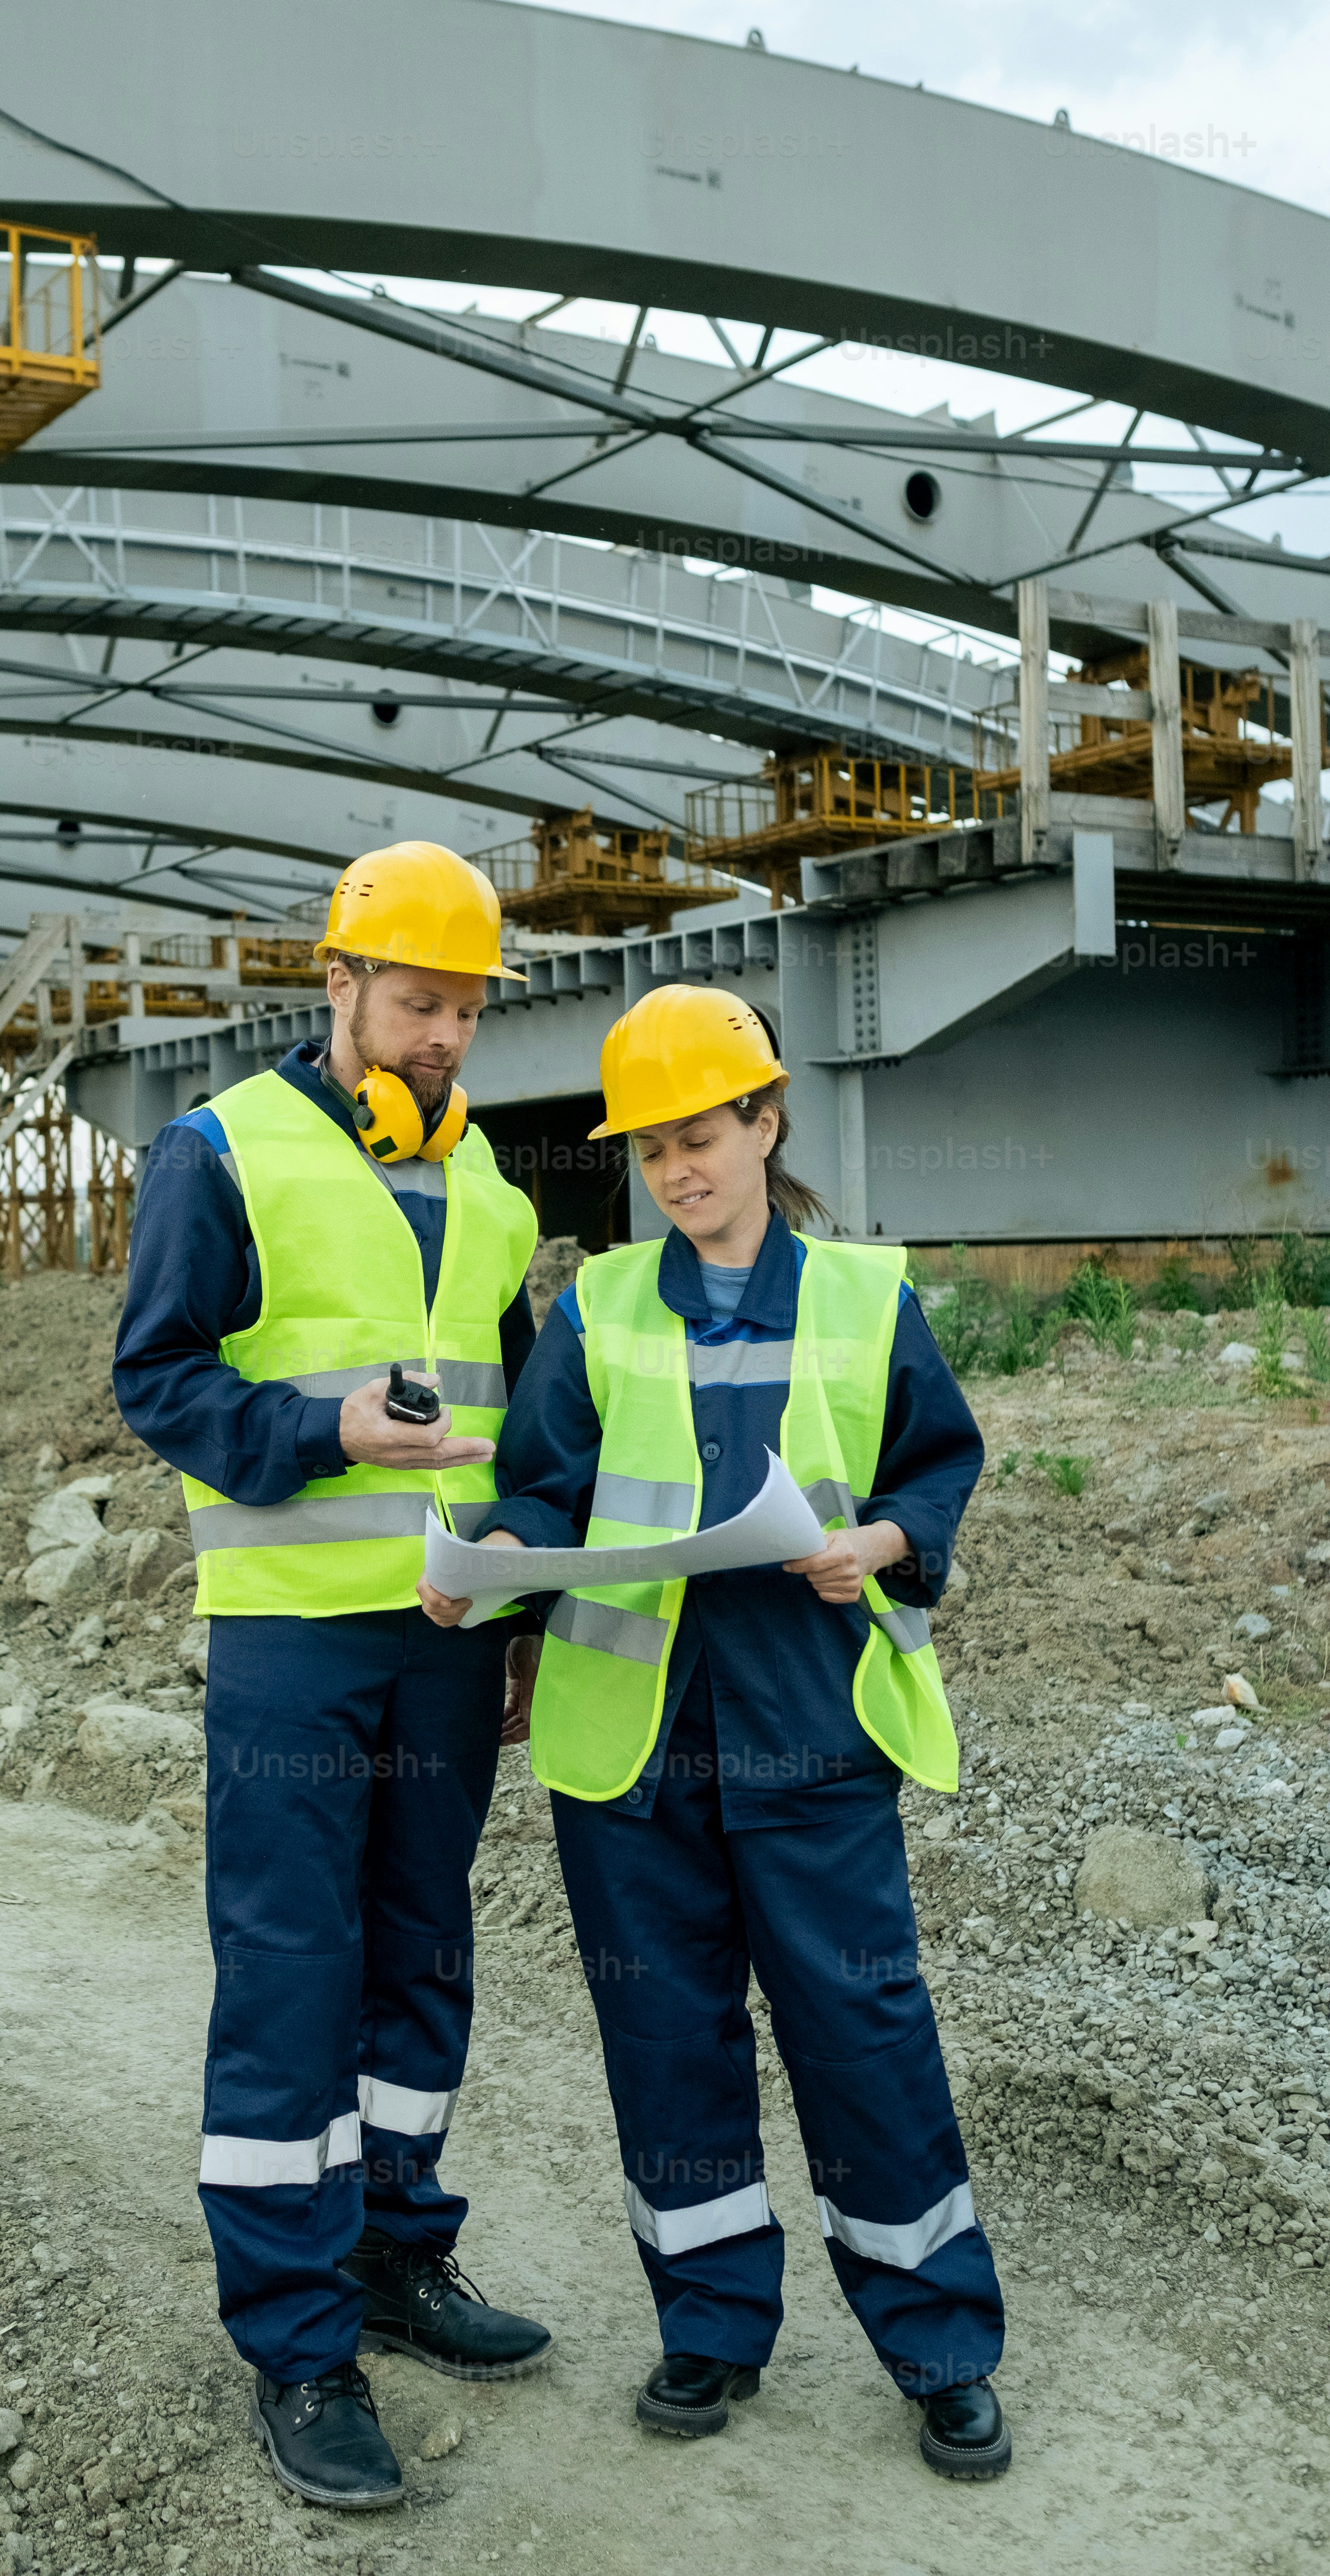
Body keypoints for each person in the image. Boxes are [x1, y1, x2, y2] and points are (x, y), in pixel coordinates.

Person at [420, 981, 1011, 2480]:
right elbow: (549, 1489)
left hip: (811, 1734)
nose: (678, 1171)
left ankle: (942, 2350)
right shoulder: (602, 1305)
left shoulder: (870, 1296)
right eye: (652, 1151)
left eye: (701, 1137)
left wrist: (880, 1543)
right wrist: (489, 1568)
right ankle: (709, 2328)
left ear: (764, 1121)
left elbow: (936, 1468)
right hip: (634, 1747)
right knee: (667, 2040)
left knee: (863, 2038)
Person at [113, 839, 553, 2515]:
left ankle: (396, 2253)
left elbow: (506, 1421)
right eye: (417, 999)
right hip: (296, 1638)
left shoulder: (495, 1183)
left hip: (446, 1643)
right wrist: (322, 1432)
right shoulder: (223, 1151)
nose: (443, 1033)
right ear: (341, 987)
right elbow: (158, 1379)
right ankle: (299, 2346)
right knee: (295, 1977)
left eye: (464, 1008)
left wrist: (514, 1613)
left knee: (423, 1957)